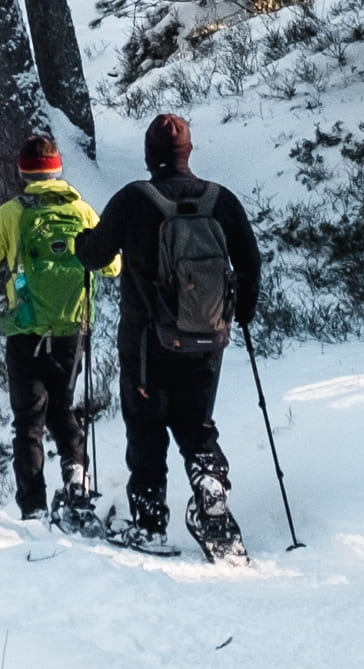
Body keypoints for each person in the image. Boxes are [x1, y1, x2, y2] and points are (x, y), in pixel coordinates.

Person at [82, 112, 263, 560]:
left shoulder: (133, 200)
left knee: (146, 428)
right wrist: (239, 315)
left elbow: (96, 253)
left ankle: (149, 525)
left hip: (146, 341)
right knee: (196, 423)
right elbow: (251, 262)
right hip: (207, 339)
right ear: (188, 153)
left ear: (148, 156)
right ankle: (210, 491)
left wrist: (82, 241)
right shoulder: (221, 200)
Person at [0, 134, 100, 520]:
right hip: (72, 328)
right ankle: (77, 478)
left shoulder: (11, 213)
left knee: (28, 423)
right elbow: (112, 265)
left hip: (26, 331)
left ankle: (33, 508)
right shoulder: (83, 211)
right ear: (58, 170)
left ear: (23, 171)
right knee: (63, 408)